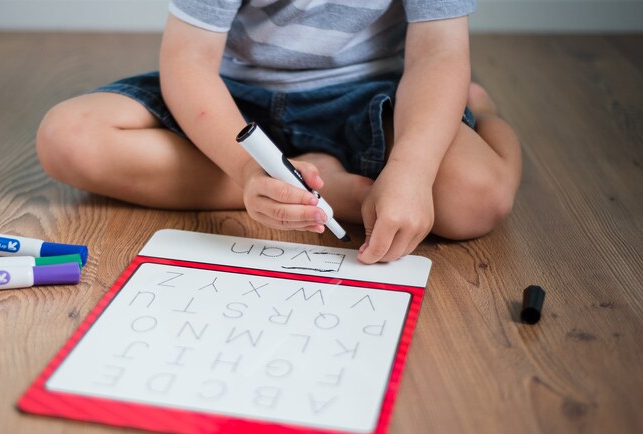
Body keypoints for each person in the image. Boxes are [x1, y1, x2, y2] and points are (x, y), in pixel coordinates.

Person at [36, 0, 522, 264]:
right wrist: (248, 170)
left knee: (476, 199)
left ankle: (488, 111)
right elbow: (188, 62)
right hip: (232, 99)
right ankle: (323, 191)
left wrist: (412, 172)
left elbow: (438, 54)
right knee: (69, 137)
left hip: (370, 94)